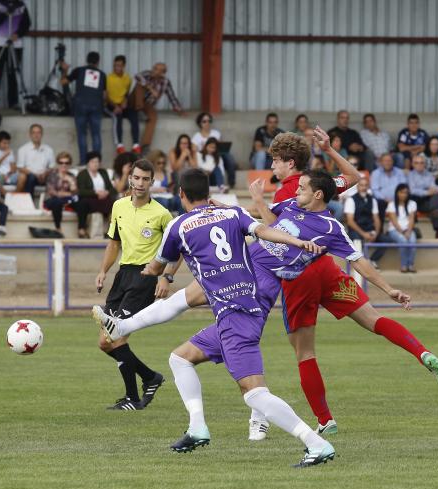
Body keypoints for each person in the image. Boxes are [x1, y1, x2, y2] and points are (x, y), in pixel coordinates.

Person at [99, 160, 438, 442]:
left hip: (260, 280)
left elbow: (352, 248)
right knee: (191, 307)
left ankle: (268, 420)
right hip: (260, 268)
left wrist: (388, 288)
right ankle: (126, 326)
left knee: (227, 329)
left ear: (313, 190)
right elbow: (268, 221)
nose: (285, 178)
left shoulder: (327, 224)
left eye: (280, 163)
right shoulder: (295, 202)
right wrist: (234, 210)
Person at [129, 168, 336, 466]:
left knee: (255, 395)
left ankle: (316, 443)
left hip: (236, 317)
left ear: (181, 195)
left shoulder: (179, 225)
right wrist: (297, 241)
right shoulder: (233, 214)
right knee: (181, 358)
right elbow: (263, 230)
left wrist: (149, 271)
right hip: (234, 315)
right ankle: (197, 427)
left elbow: (159, 264)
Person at [93, 158, 175, 411]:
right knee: (104, 342)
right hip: (122, 276)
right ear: (130, 178)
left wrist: (165, 276)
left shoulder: (162, 214)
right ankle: (150, 377)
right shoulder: (118, 206)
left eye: (145, 179)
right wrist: (103, 271)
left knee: (115, 336)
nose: (140, 183)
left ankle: (132, 398)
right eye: (136, 178)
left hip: (145, 279)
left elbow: (176, 250)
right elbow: (114, 243)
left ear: (152, 181)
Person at [61, 52, 106, 163]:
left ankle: (83, 162)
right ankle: (96, 162)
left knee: (82, 134)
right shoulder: (102, 74)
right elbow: (105, 95)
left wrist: (65, 70)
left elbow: (63, 81)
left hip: (80, 105)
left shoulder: (79, 70)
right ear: (98, 61)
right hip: (96, 105)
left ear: (87, 60)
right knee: (96, 135)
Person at [0, 0, 31, 108]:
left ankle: (13, 101)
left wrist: (18, 34)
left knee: (14, 72)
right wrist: (4, 15)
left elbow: (27, 23)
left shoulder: (21, 6)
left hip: (15, 44)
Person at [134, 62, 185, 150]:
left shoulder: (165, 82)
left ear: (163, 73)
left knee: (153, 117)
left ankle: (145, 146)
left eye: (157, 69)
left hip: (147, 105)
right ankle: (139, 110)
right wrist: (151, 88)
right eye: (154, 68)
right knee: (140, 84)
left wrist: (179, 110)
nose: (154, 70)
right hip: (134, 101)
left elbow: (171, 96)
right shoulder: (147, 74)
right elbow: (137, 76)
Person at [343, 176, 386, 266]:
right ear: (358, 187)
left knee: (385, 240)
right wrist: (363, 234)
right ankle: (362, 265)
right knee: (357, 240)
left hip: (369, 228)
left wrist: (376, 233)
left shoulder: (372, 200)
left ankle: (372, 260)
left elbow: (376, 219)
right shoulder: (351, 200)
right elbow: (350, 221)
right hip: (356, 229)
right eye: (361, 185)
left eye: (366, 185)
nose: (364, 188)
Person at [74, 152, 115, 239]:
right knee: (82, 204)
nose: (95, 164)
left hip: (104, 199)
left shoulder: (103, 172)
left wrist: (106, 192)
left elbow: (112, 189)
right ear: (88, 163)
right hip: (90, 199)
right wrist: (96, 193)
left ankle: (112, 231)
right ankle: (81, 229)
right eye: (93, 162)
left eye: (97, 162)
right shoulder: (82, 174)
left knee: (115, 204)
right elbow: (81, 191)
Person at [105, 55, 140, 155]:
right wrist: (115, 106)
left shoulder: (127, 78)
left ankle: (136, 144)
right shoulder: (108, 78)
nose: (117, 68)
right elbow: (105, 95)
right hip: (110, 104)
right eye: (115, 65)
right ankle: (119, 145)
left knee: (134, 115)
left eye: (119, 66)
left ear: (124, 66)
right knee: (117, 117)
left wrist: (125, 101)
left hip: (122, 105)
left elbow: (127, 93)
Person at [192, 112, 237, 189]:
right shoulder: (197, 136)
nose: (207, 123)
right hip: (203, 158)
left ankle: (231, 183)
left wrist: (214, 148)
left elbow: (221, 146)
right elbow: (194, 150)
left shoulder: (216, 133)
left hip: (216, 155)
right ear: (200, 123)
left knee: (229, 157)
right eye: (204, 121)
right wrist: (204, 149)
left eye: (209, 121)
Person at [408, 154, 438, 239]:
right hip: (416, 201)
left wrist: (437, 189)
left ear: (424, 164)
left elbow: (433, 186)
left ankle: (432, 211)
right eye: (416, 163)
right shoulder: (410, 175)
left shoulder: (428, 174)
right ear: (413, 164)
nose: (419, 165)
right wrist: (426, 192)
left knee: (437, 195)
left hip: (428, 201)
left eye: (422, 163)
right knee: (413, 197)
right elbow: (413, 190)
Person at [384, 183, 418, 272]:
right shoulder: (391, 204)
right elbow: (394, 222)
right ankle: (404, 265)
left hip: (408, 230)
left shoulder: (412, 204)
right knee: (403, 241)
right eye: (401, 192)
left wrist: (409, 231)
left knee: (413, 241)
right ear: (397, 193)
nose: (404, 194)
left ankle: (410, 265)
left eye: (406, 192)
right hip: (394, 230)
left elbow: (412, 220)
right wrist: (403, 232)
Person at [43, 152, 78, 231]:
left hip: (67, 201)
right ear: (58, 163)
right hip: (52, 200)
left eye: (66, 163)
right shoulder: (52, 175)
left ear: (69, 164)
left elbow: (75, 193)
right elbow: (52, 192)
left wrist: (71, 182)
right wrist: (68, 194)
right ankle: (58, 228)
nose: (64, 165)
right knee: (57, 202)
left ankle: (81, 228)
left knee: (82, 203)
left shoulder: (71, 176)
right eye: (61, 163)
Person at [16, 123, 54, 195]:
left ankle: (52, 203)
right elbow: (20, 167)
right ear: (30, 135)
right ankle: (28, 202)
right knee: (31, 178)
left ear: (42, 134)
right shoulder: (23, 149)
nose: (36, 135)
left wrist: (45, 173)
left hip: (44, 176)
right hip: (30, 175)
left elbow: (51, 167)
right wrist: (35, 175)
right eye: (33, 133)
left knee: (54, 176)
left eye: (38, 132)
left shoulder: (49, 149)